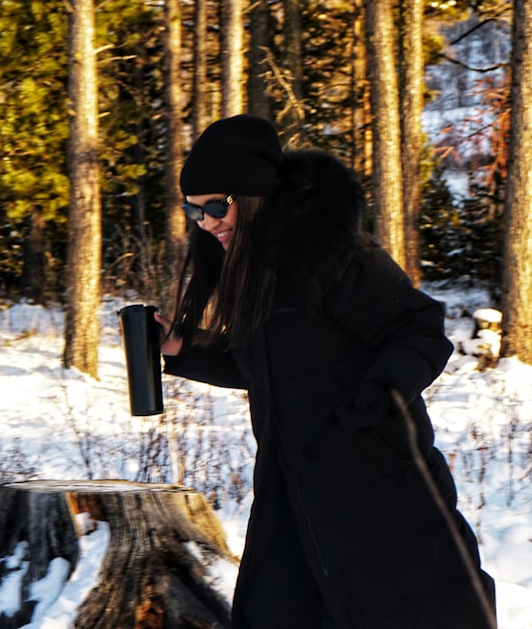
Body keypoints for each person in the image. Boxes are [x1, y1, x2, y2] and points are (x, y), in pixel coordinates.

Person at [156, 114, 496, 629]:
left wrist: (377, 398)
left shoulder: (334, 256)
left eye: (216, 206)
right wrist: (184, 349)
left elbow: (421, 329)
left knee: (415, 610)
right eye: (193, 211)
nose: (207, 223)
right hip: (292, 486)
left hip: (378, 480)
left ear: (251, 197)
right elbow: (266, 365)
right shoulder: (255, 272)